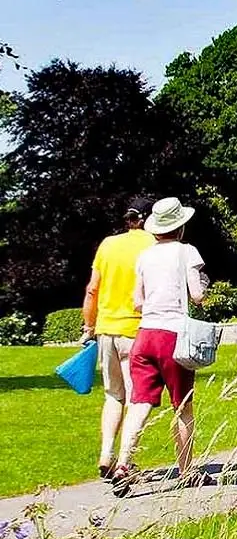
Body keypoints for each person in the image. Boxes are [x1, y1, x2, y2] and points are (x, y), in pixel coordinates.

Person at [110, 197, 212, 487]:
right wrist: (204, 288)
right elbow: (197, 295)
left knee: (139, 402)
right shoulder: (186, 252)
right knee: (183, 406)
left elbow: (137, 301)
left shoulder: (145, 256)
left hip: (145, 336)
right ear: (180, 227)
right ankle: (187, 471)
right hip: (173, 335)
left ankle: (123, 464)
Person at [80, 195, 156, 480]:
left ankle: (106, 453)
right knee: (137, 398)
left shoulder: (108, 244)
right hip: (136, 329)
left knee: (113, 395)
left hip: (106, 330)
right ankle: (126, 461)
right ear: (149, 219)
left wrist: (89, 328)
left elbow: (92, 290)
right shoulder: (153, 245)